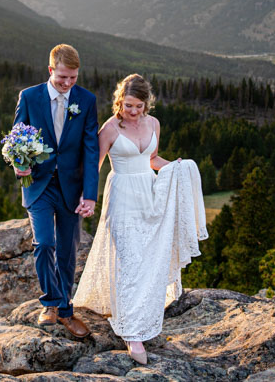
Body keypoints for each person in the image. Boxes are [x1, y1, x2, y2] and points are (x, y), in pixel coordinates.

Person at [73, 74, 207, 364]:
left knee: (146, 256)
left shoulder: (154, 124)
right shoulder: (109, 129)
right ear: (119, 102)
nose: (133, 112)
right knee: (129, 260)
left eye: (139, 106)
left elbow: (152, 160)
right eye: (128, 105)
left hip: (149, 193)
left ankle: (142, 310)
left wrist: (177, 168)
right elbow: (93, 168)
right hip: (122, 196)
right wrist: (87, 199)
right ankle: (132, 333)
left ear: (147, 104)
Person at [13, 43, 99, 339]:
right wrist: (18, 164)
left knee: (67, 250)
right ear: (51, 70)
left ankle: (64, 310)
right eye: (62, 77)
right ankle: (51, 304)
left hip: (71, 187)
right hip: (38, 184)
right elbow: (15, 139)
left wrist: (89, 194)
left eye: (73, 78)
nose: (67, 84)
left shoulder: (86, 101)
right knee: (44, 244)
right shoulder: (29, 97)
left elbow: (90, 149)